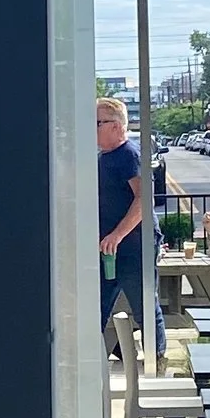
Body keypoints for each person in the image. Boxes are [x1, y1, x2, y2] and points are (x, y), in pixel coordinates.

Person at [96, 95, 144, 330]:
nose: (92, 129)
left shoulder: (128, 154)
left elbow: (143, 198)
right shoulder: (101, 158)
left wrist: (118, 235)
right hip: (106, 249)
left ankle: (158, 359)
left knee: (143, 307)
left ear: (116, 126)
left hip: (133, 246)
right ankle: (95, 360)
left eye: (97, 123)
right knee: (96, 308)